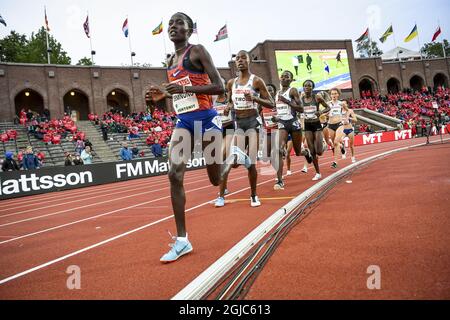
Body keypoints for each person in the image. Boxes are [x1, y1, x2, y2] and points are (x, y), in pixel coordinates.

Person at [148, 12, 225, 263]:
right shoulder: (170, 60)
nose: (173, 27)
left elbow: (219, 87)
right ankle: (182, 240)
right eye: (170, 23)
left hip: (207, 119)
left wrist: (184, 88)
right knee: (174, 173)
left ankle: (232, 157)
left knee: (215, 180)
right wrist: (162, 97)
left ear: (189, 30)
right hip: (184, 121)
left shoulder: (198, 51)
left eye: (178, 23)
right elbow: (178, 94)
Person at [215, 50, 274, 207]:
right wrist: (228, 107)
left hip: (253, 124)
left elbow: (271, 103)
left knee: (251, 163)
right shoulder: (231, 83)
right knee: (233, 162)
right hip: (239, 124)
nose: (240, 60)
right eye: (237, 58)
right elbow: (230, 101)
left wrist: (255, 98)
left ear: (249, 61)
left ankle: (253, 196)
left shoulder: (256, 81)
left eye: (243, 58)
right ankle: (221, 195)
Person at [272, 70, 306, 190]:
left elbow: (301, 109)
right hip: (282, 124)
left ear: (291, 80)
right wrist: (275, 118)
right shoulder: (277, 93)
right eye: (282, 76)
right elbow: (279, 110)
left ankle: (305, 153)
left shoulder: (293, 91)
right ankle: (280, 181)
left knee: (297, 152)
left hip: (293, 123)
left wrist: (287, 101)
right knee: (279, 150)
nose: (284, 78)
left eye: (287, 77)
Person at [301, 80, 330, 181]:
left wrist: (320, 112)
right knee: (312, 151)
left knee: (319, 152)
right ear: (303, 87)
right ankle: (318, 173)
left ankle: (324, 145)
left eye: (309, 86)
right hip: (307, 125)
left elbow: (328, 107)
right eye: (305, 86)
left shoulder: (317, 97)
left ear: (312, 87)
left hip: (317, 124)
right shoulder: (301, 99)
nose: (307, 87)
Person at [327, 88, 347, 169]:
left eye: (335, 93)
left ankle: (335, 162)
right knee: (334, 144)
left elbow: (347, 112)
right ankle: (342, 147)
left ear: (338, 94)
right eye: (332, 94)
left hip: (339, 124)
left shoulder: (341, 103)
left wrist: (345, 119)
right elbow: (324, 113)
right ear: (330, 95)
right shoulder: (327, 104)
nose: (334, 95)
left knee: (335, 142)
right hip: (330, 125)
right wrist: (326, 114)